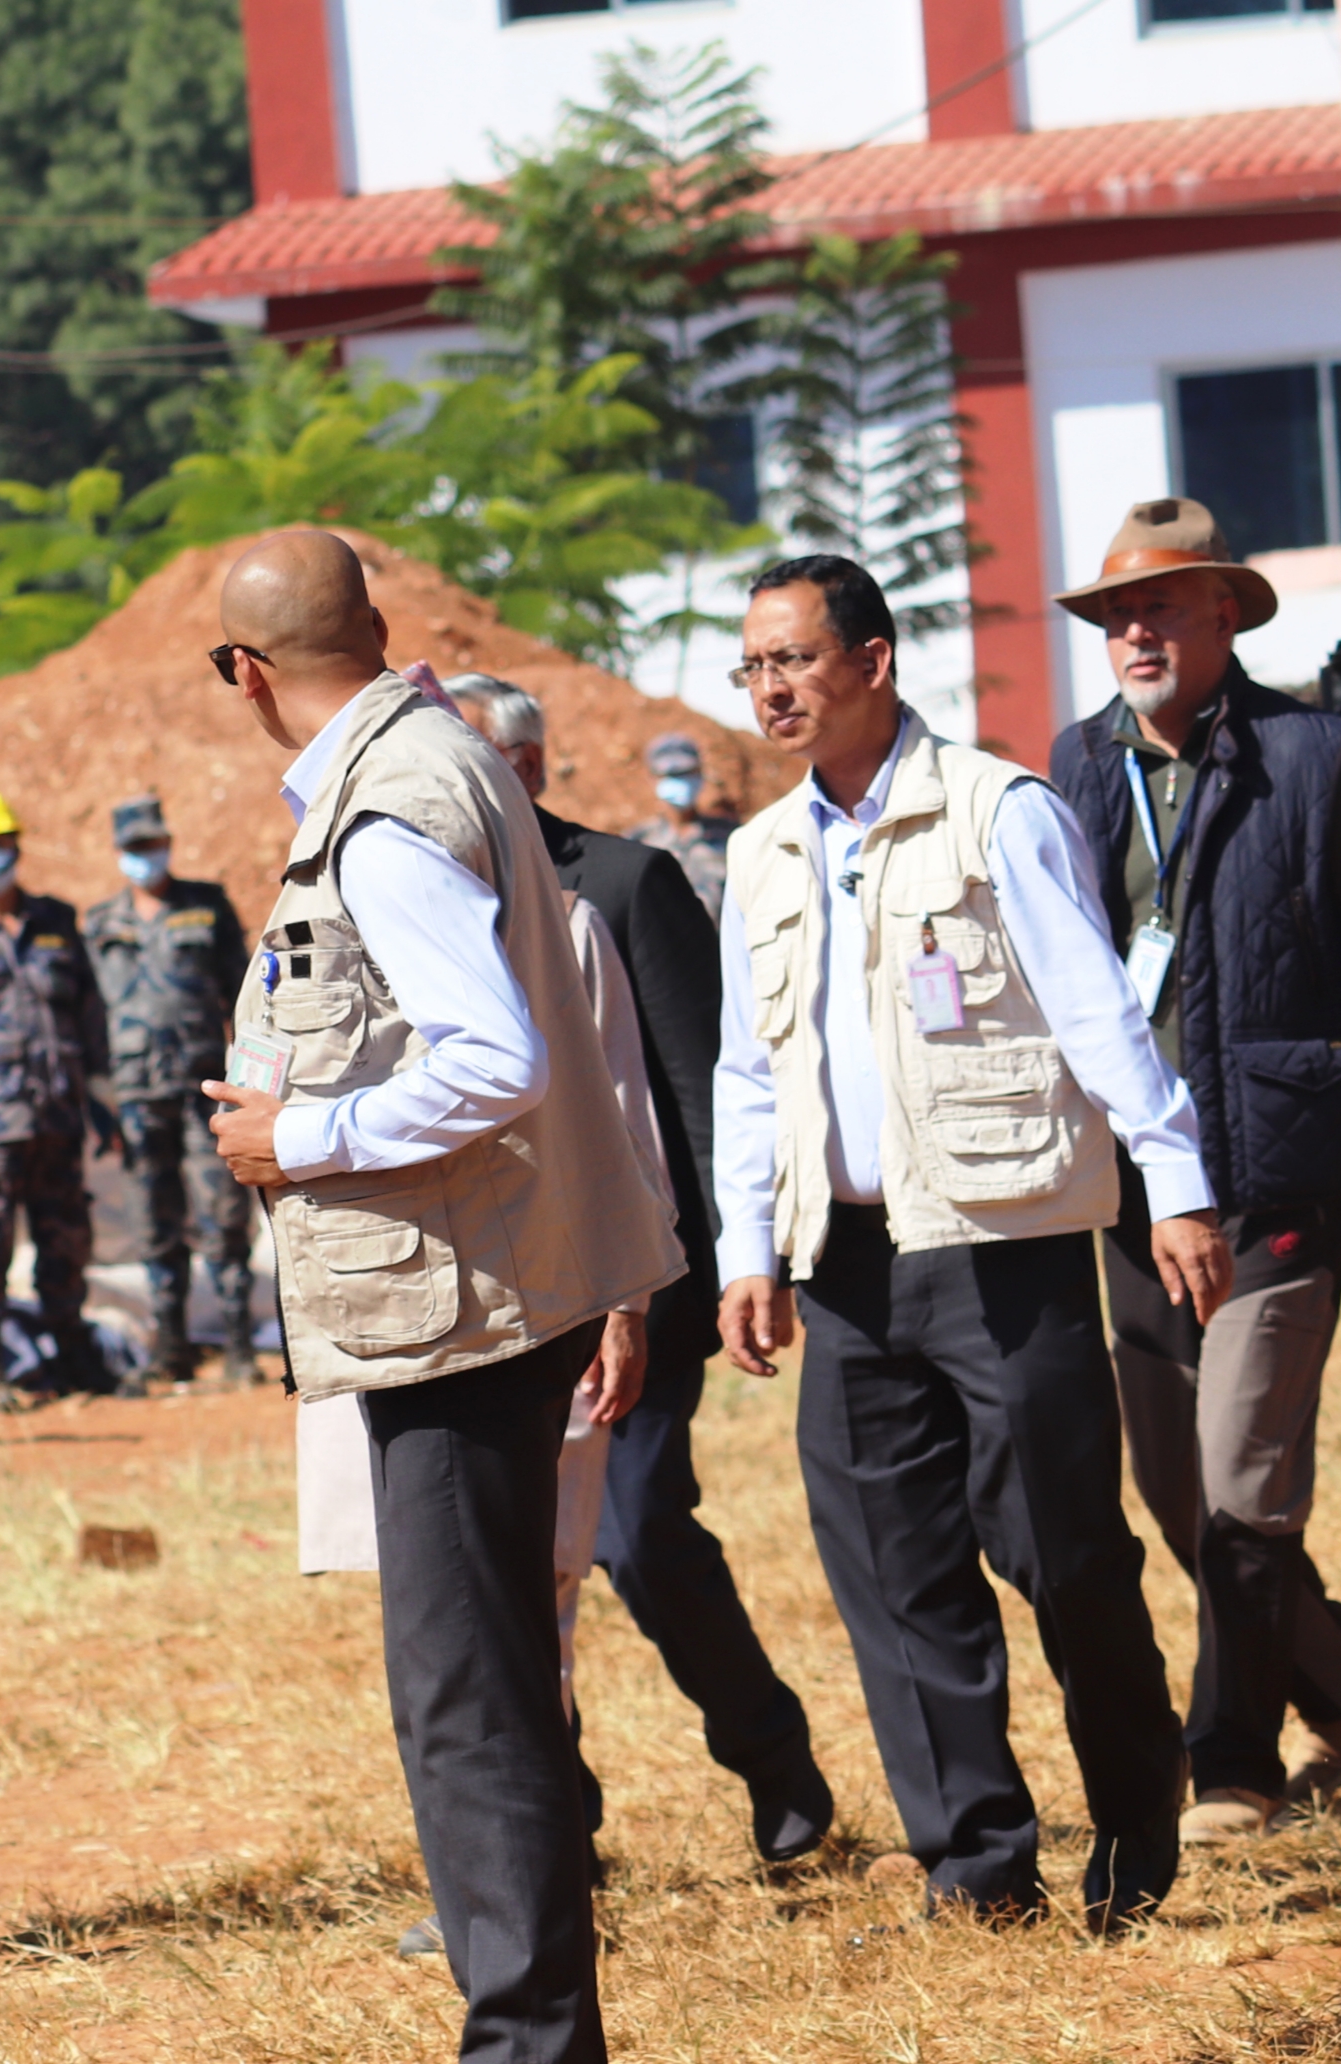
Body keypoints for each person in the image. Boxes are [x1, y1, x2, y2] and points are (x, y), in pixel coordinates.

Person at [200, 531, 682, 2064]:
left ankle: (527, 2040)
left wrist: (303, 1135)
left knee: (467, 1703)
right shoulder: (437, 759)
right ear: (382, 628)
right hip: (479, 1291)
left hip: (455, 1312)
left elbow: (490, 1059)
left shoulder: (388, 812)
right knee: (484, 1687)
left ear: (250, 676)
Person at [710, 554, 1207, 1929]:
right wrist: (747, 1247)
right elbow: (749, 1070)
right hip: (849, 1264)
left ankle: (1134, 1815)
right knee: (890, 1565)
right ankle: (978, 1865)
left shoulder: (998, 812)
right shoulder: (758, 855)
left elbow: (1094, 1007)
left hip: (1002, 1245)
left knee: (1063, 1551)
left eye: (793, 659)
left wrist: (1176, 1182)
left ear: (872, 661)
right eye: (751, 667)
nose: (770, 689)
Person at [1045, 498, 1341, 1843]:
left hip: (1280, 1171)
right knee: (1174, 1489)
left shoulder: (1310, 761)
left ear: (1224, 618)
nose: (1135, 630)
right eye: (1117, 613)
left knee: (1245, 1474)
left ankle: (1232, 1763)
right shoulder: (1072, 773)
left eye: (1162, 607)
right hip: (1134, 1192)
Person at [442, 675, 835, 1871]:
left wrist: (731, 1264)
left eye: (470, 761)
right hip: (502, 1291)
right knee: (507, 1561)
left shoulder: (622, 882)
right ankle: (559, 1831)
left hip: (642, 1280)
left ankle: (773, 1761)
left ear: (525, 768)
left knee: (637, 1526)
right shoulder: (426, 898)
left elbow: (705, 1082)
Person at [0, 791, 117, 1400]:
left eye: (0, 843)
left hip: (57, 1114)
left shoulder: (57, 922)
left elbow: (90, 1014)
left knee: (66, 1241)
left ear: (18, 846)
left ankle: (72, 1365)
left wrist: (102, 1096)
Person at [82, 795, 257, 1386]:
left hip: (203, 1090)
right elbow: (86, 1017)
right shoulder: (100, 924)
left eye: (154, 844)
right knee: (153, 1223)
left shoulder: (205, 908)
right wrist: (95, 1096)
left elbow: (245, 997)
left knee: (223, 1215)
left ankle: (237, 1347)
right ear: (117, 853)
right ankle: (170, 1346)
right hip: (134, 1099)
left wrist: (251, 1075)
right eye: (134, 848)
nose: (146, 856)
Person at [635, 731, 738, 919]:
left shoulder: (733, 837)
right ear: (652, 778)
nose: (680, 781)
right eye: (670, 774)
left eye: (686, 773)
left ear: (700, 773)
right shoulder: (638, 843)